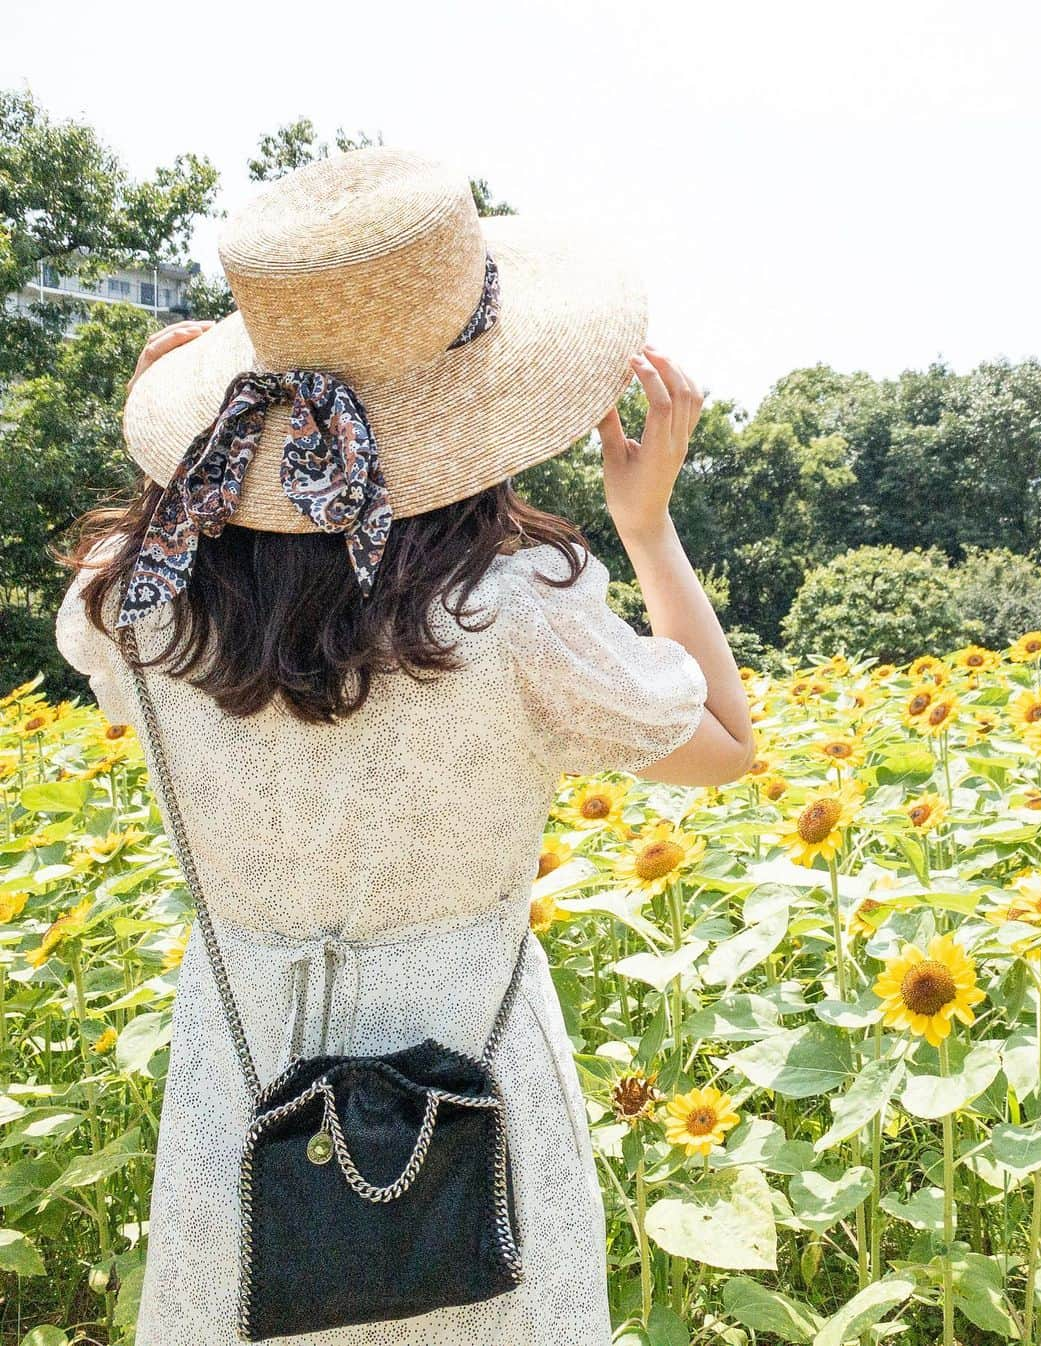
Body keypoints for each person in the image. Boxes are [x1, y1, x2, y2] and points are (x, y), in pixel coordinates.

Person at [53, 147, 755, 1346]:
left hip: (244, 1079)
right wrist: (649, 528)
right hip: (464, 1090)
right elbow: (725, 745)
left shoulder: (142, 605)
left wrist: (176, 472)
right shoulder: (515, 611)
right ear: (487, 388)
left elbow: (118, 596)